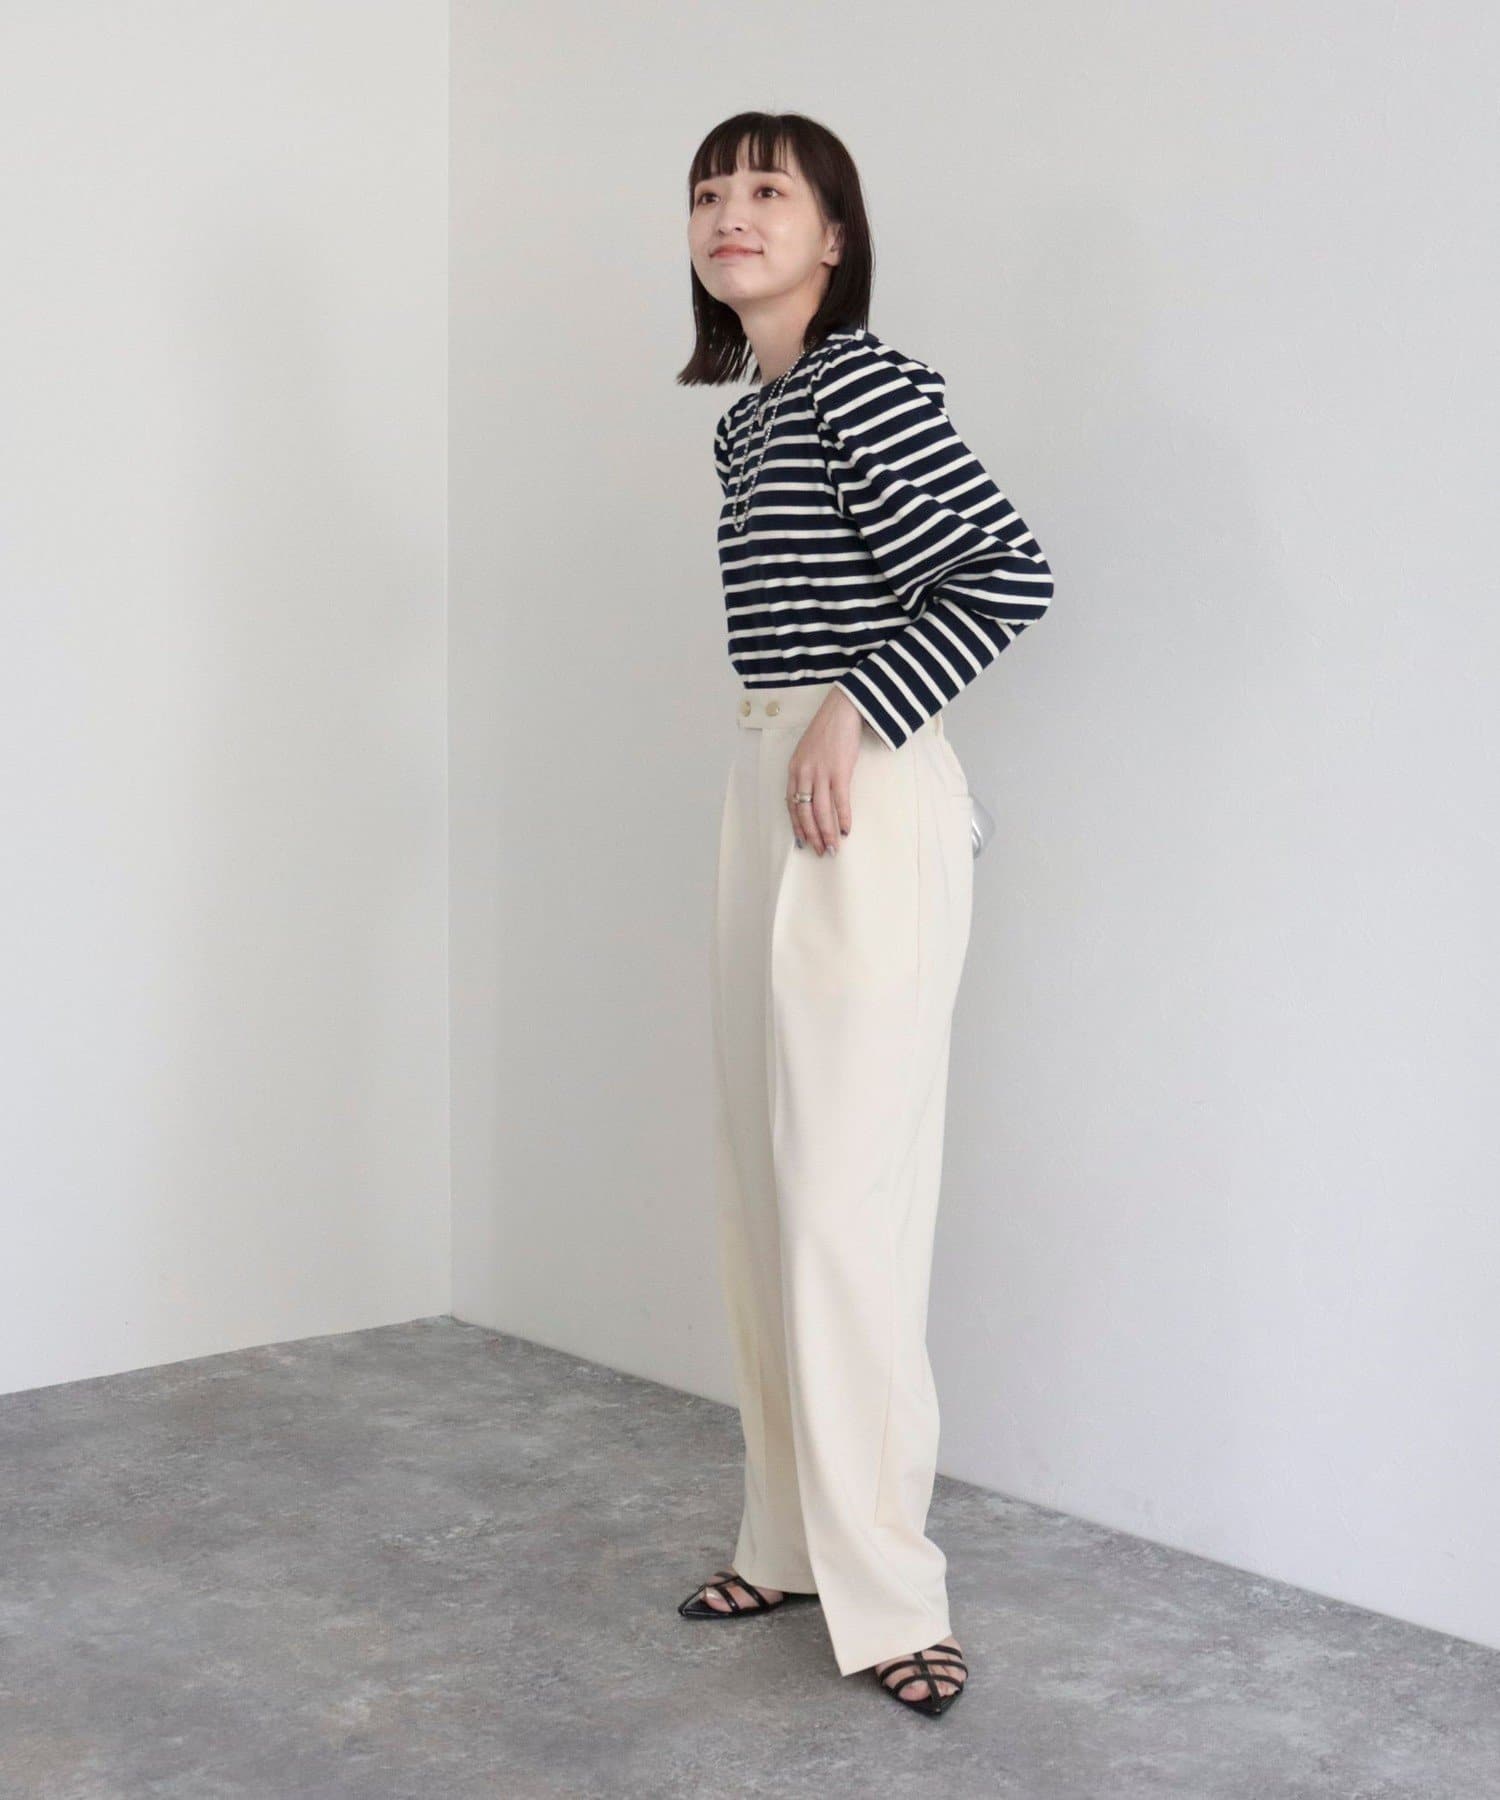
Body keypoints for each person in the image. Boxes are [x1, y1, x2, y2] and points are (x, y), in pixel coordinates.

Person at [674, 111, 1054, 1719]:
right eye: (710, 191)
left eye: (769, 189)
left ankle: (895, 1594)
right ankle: (789, 1539)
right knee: (766, 1196)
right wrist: (806, 727)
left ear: (835, 234)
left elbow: (1005, 573)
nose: (731, 211)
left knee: (847, 1208)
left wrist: (858, 707)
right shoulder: (751, 419)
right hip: (767, 792)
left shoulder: (863, 384)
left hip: (863, 796)